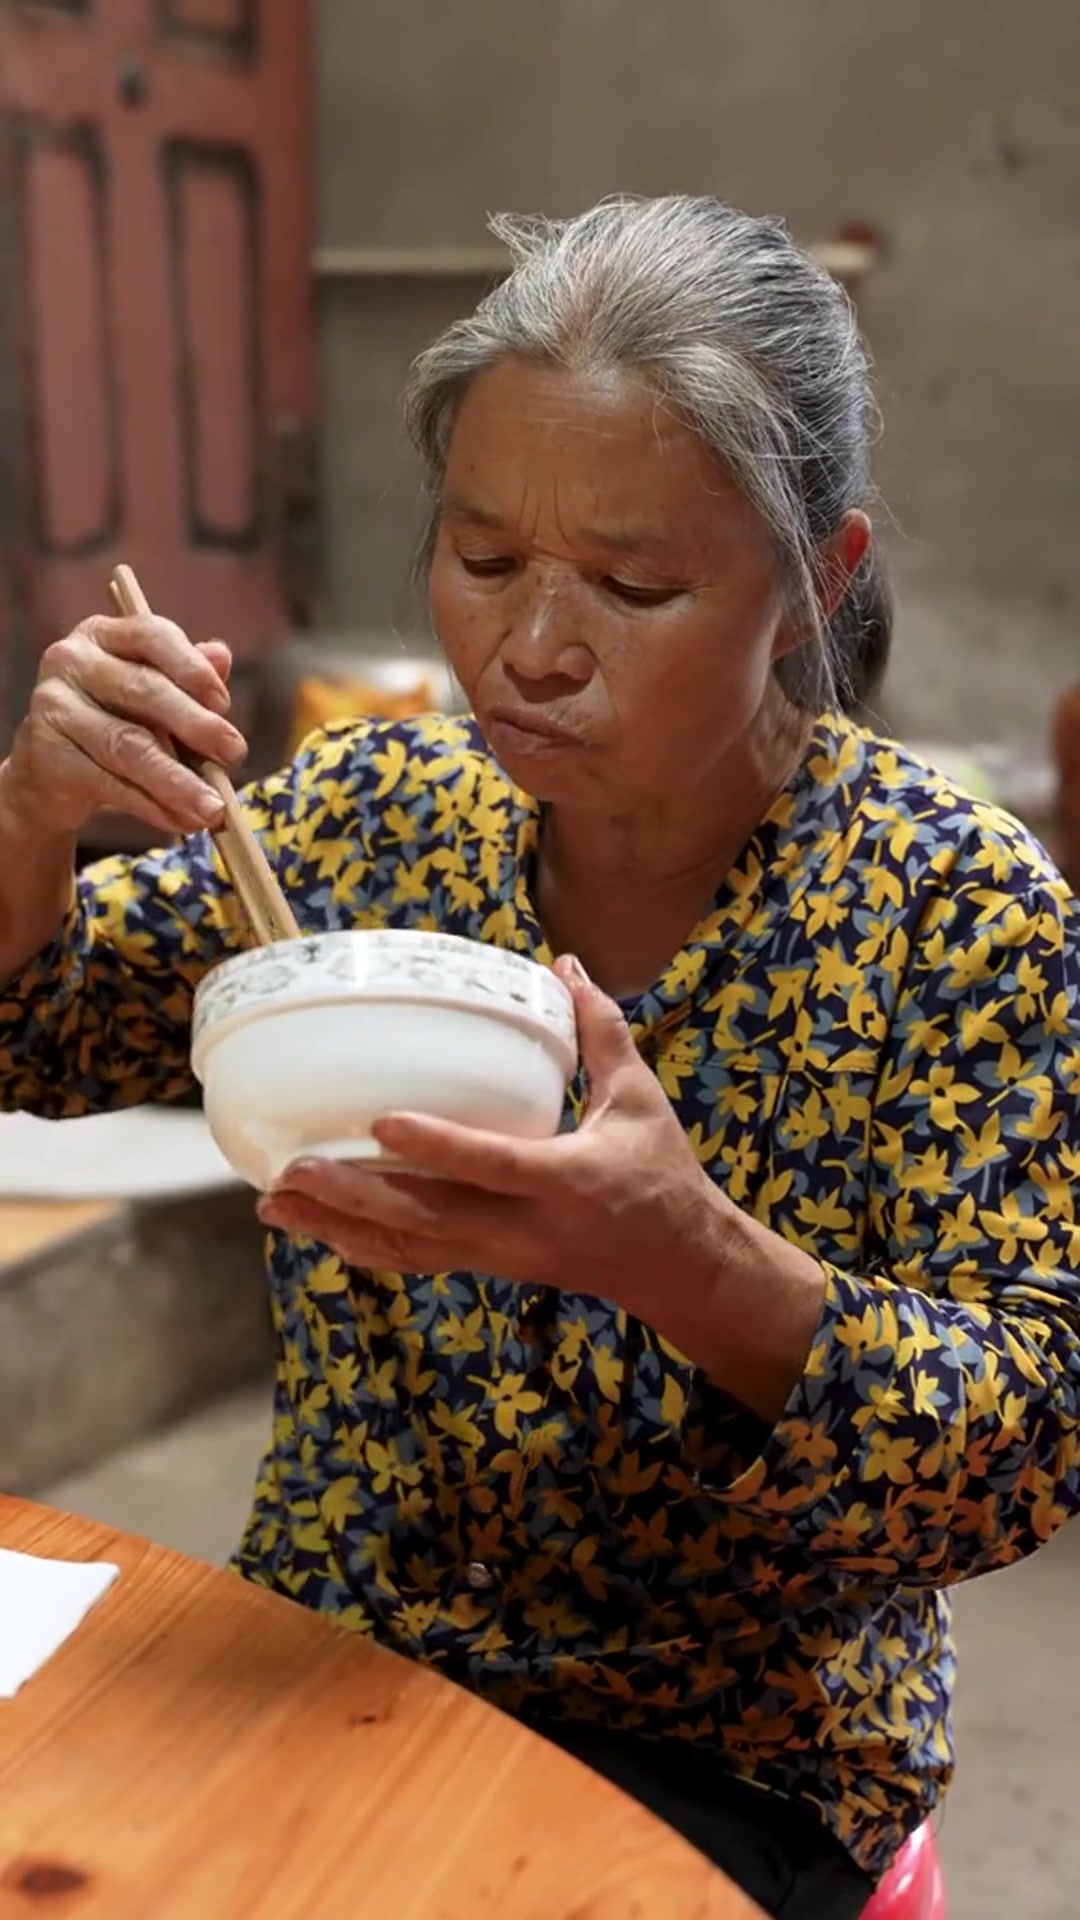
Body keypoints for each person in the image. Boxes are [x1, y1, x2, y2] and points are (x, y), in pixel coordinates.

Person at [1, 195, 1077, 1920]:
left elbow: (1021, 1442)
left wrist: (691, 1263)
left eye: (637, 584)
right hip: (331, 1649)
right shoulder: (371, 819)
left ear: (822, 583)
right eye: (483, 558)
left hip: (736, 1751)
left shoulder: (955, 906)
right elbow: (33, 1030)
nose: (532, 645)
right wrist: (31, 813)